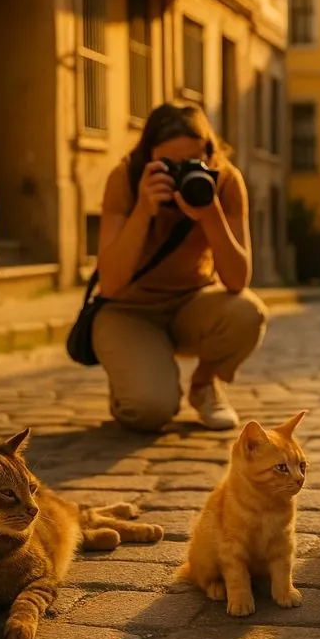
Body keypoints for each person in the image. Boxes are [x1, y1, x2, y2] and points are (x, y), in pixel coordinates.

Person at [93, 103, 268, 432]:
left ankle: (204, 384)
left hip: (191, 304)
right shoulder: (126, 178)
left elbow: (237, 279)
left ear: (208, 153)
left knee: (248, 313)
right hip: (129, 312)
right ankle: (135, 382)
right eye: (168, 166)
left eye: (191, 162)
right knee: (148, 411)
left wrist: (210, 213)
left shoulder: (226, 181)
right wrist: (144, 210)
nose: (180, 174)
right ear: (149, 158)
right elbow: (111, 283)